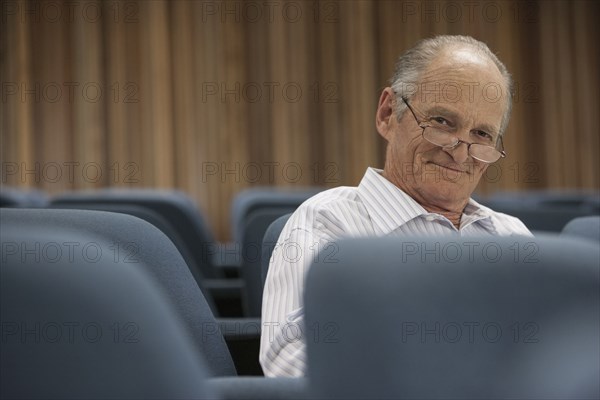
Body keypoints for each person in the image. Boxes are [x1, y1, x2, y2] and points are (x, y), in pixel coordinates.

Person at [259, 35, 532, 377]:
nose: (460, 153)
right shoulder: (329, 223)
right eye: (442, 122)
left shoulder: (512, 235)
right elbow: (294, 362)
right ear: (388, 113)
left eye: (481, 135)